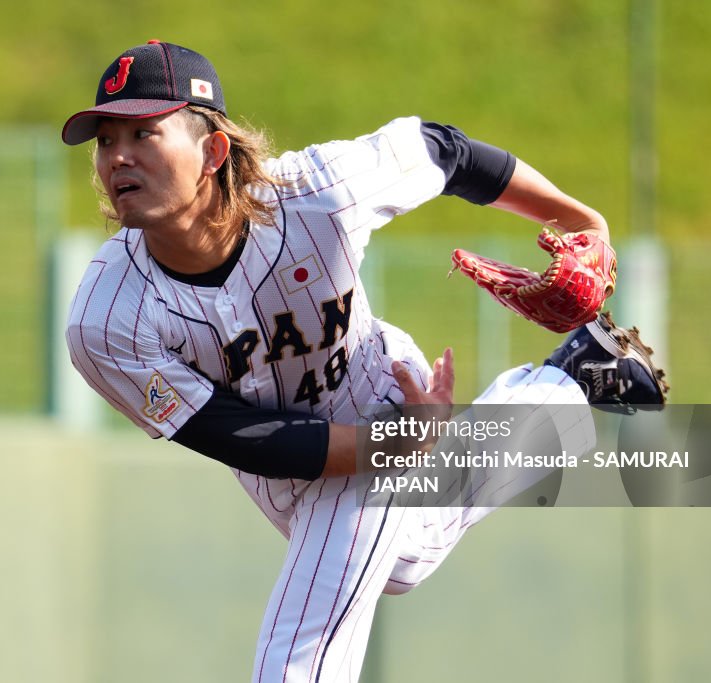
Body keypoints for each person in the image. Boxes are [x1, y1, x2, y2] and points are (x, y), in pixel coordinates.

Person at [61, 40, 667, 682]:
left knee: (301, 656)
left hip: (378, 386)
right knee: (405, 562)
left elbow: (442, 150)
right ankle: (570, 381)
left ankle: (568, 382)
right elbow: (232, 434)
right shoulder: (104, 320)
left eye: (143, 133)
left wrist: (580, 220)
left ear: (213, 151)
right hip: (286, 463)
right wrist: (396, 443)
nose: (118, 156)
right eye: (105, 139)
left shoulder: (318, 192)